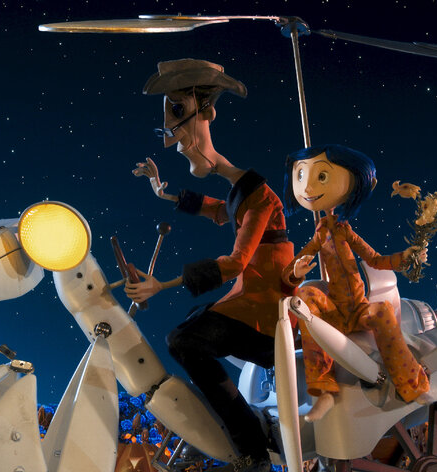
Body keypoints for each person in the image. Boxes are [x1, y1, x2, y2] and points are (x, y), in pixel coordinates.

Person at [126, 59, 294, 472]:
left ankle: (252, 446)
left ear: (207, 114)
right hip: (250, 303)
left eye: (178, 113)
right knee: (187, 334)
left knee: (184, 340)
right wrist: (164, 193)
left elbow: (236, 263)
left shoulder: (261, 199)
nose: (173, 138)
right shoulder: (244, 194)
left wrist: (161, 285)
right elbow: (220, 210)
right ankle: (247, 432)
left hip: (268, 316)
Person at [281, 144, 431, 422]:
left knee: (383, 311)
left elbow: (375, 259)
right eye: (302, 175)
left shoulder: (345, 231)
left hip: (359, 309)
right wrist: (297, 271)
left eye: (322, 176)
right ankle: (323, 389)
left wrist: (405, 257)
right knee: (306, 296)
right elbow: (298, 262)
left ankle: (412, 384)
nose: (310, 188)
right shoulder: (320, 234)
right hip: (335, 311)